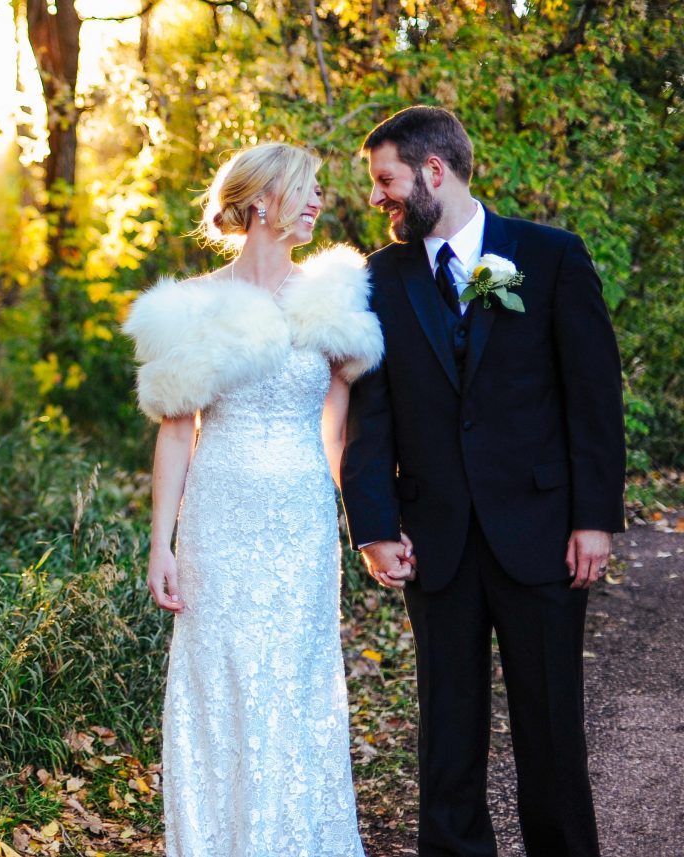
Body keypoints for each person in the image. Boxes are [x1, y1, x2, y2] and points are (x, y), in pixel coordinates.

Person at [341, 105, 625, 857]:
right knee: (446, 734)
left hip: (542, 532)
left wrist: (594, 516)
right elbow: (372, 415)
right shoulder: (379, 275)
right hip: (435, 540)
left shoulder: (552, 254)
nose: (379, 197)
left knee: (552, 728)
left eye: (387, 180)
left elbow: (593, 395)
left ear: (434, 172)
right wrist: (372, 525)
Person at [124, 142, 382, 857]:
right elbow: (177, 434)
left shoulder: (331, 298)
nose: (318, 200)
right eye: (306, 187)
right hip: (220, 519)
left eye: (320, 189)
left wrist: (364, 525)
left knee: (294, 681)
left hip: (301, 520)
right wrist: (161, 543)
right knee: (221, 681)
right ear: (261, 200)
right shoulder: (195, 304)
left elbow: (337, 429)